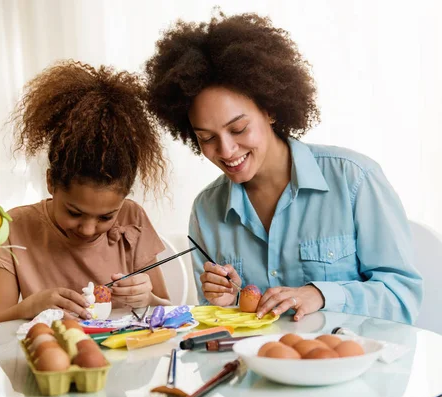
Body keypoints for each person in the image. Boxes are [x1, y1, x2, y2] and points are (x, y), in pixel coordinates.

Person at [144, 12, 422, 324]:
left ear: (271, 110)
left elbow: (403, 298)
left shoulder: (354, 179)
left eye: (238, 129)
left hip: (350, 367)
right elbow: (218, 330)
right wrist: (226, 303)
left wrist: (320, 295)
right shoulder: (207, 211)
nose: (226, 151)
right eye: (207, 138)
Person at [0, 61, 171, 324]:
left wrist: (148, 299)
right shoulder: (14, 228)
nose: (87, 229)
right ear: (51, 182)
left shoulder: (132, 218)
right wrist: (30, 306)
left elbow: (168, 310)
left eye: (106, 217)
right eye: (74, 212)